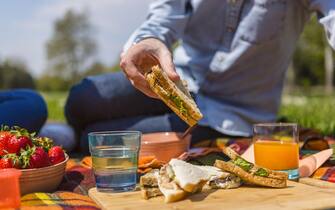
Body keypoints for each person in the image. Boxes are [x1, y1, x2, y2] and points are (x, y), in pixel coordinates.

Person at [65, 0, 335, 152]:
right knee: (82, 99)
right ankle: (66, 135)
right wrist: (146, 41)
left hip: (233, 113)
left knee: (98, 139)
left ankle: (70, 139)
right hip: (179, 79)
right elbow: (164, 17)